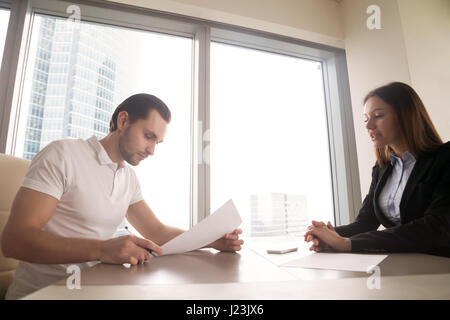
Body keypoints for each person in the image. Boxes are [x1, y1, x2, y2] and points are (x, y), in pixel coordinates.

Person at [1, 93, 244, 300]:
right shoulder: (63, 155)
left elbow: (157, 232)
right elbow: (15, 240)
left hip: (93, 290)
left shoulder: (128, 178)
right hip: (43, 294)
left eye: (157, 142)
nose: (152, 150)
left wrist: (211, 240)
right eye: (148, 136)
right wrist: (102, 250)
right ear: (123, 120)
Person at [304, 82, 450, 258]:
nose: (368, 126)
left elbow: (436, 227)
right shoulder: (382, 168)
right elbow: (365, 223)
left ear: (406, 115)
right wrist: (329, 234)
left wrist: (347, 244)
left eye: (378, 115)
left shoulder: (445, 157)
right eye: (366, 119)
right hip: (406, 264)